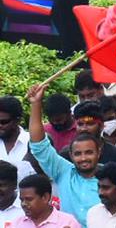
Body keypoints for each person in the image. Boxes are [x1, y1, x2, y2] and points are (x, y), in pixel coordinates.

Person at [24, 85, 98, 226]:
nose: (83, 158)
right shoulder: (64, 172)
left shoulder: (111, 180)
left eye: (89, 152)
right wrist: (35, 104)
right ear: (70, 154)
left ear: (99, 152)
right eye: (77, 153)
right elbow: (39, 145)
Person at [13, 173, 81, 228]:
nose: (23, 204)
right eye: (22, 200)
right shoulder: (16, 224)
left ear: (45, 197)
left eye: (29, 199)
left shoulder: (67, 222)